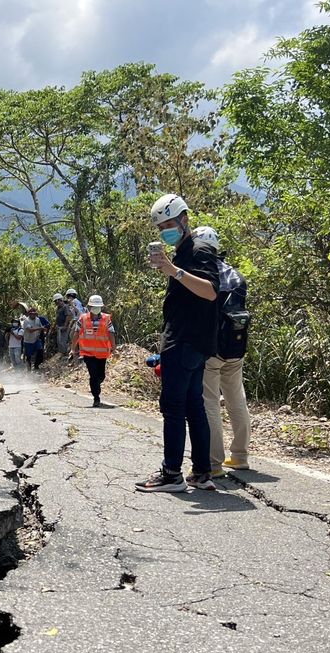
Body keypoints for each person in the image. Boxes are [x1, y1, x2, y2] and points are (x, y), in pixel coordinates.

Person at [136, 194, 220, 493]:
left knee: (173, 407)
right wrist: (171, 268)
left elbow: (211, 291)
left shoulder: (198, 249)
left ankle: (172, 474)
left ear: (184, 219)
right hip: (192, 342)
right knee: (194, 406)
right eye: (161, 228)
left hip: (184, 341)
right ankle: (201, 473)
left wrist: (174, 271)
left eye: (169, 224)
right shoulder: (183, 251)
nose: (165, 231)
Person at [192, 226, 252, 476]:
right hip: (236, 346)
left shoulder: (205, 275)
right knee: (237, 399)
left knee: (210, 403)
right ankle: (240, 456)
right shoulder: (237, 276)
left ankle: (214, 463)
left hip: (212, 349)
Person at [70, 295, 116, 407]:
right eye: (94, 306)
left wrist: (113, 348)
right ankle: (96, 397)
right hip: (88, 353)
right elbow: (76, 333)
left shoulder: (106, 318)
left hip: (102, 353)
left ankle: (96, 385)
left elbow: (111, 333)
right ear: (90, 306)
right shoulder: (83, 318)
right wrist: (73, 348)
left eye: (98, 306)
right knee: (93, 374)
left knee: (101, 376)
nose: (96, 308)